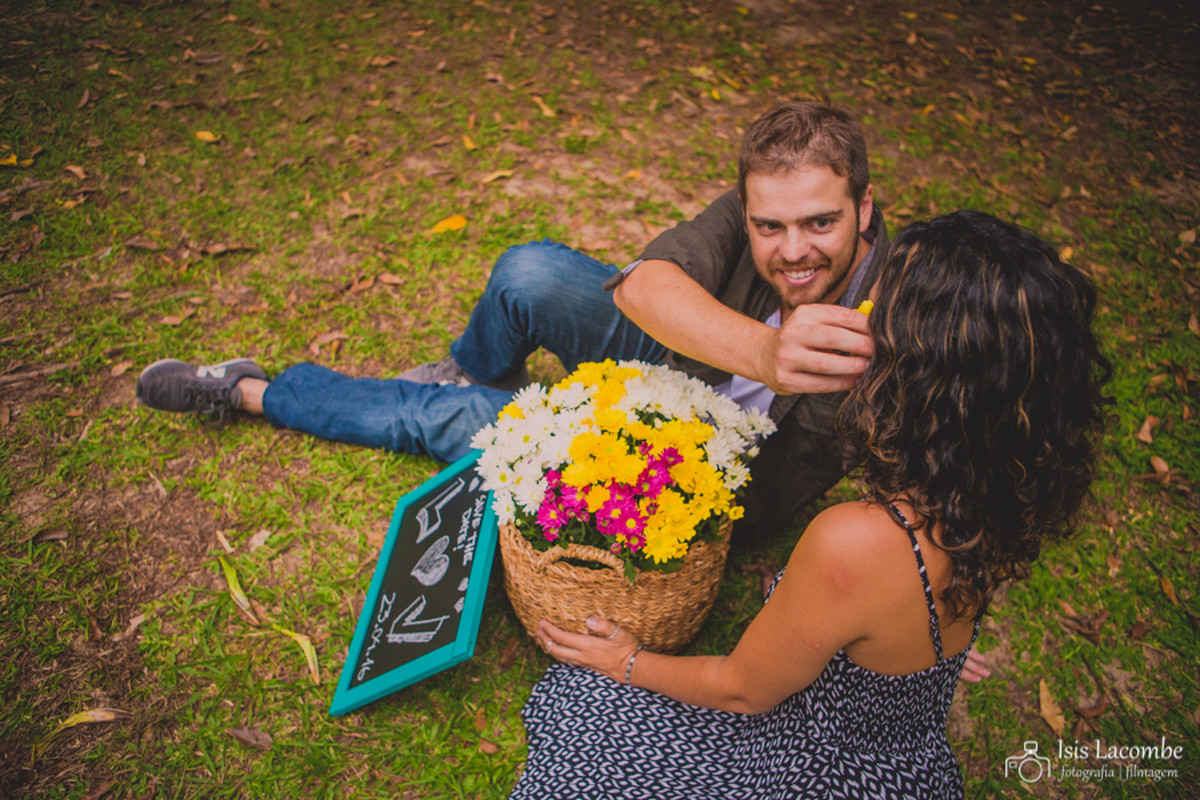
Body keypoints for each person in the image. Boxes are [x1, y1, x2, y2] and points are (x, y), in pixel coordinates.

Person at [513, 210, 1111, 799]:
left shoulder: (854, 541)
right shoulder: (997, 478)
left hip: (814, 768)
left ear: (915, 368)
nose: (856, 319)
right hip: (906, 756)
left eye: (874, 315)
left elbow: (742, 691)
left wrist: (627, 661)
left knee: (581, 704)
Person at [135, 100, 884, 544]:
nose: (792, 252)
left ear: (865, 208)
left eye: (819, 223)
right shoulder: (761, 207)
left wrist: (923, 617)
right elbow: (643, 286)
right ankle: (479, 364)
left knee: (461, 419)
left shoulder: (907, 304)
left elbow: (942, 462)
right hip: (691, 360)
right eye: (769, 227)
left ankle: (252, 392)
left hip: (693, 470)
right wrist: (765, 350)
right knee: (528, 273)